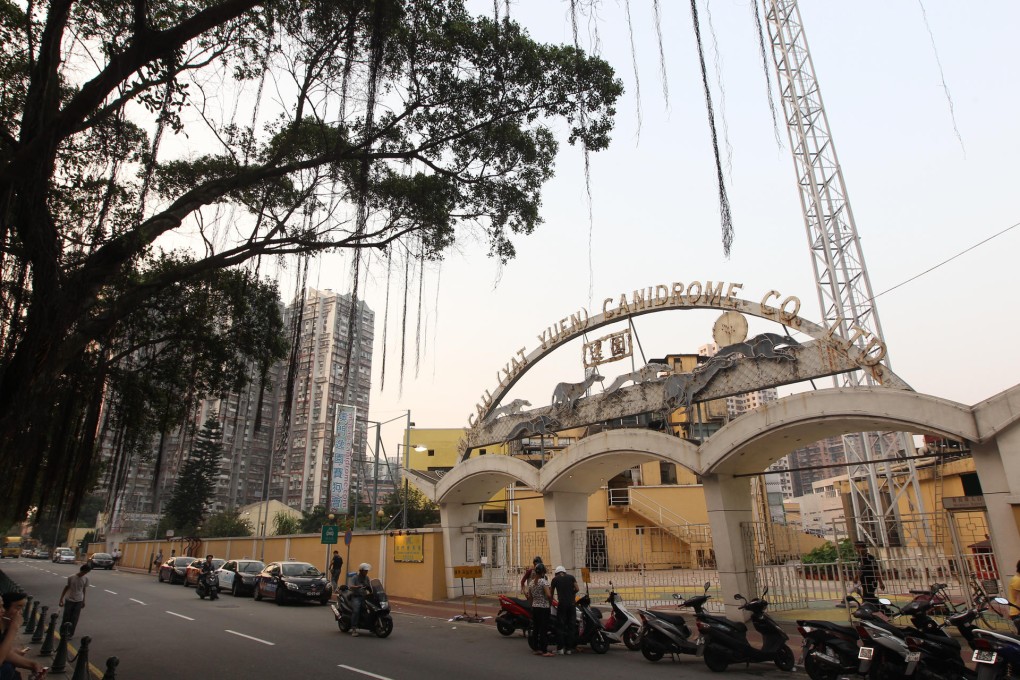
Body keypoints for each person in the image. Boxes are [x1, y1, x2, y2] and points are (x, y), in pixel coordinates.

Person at [1, 592, 47, 679]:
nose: (20, 612)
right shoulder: (9, 627)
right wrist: (14, 628)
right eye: (18, 607)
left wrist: (33, 665)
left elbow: (5, 653)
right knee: (8, 667)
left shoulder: (6, 627)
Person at [526, 563, 556, 657]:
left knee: (536, 628)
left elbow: (530, 597)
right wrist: (550, 599)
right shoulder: (543, 582)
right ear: (543, 572)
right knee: (543, 629)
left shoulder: (531, 583)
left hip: (535, 608)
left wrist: (531, 606)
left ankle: (536, 649)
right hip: (544, 608)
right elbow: (548, 595)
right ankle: (544, 650)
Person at [550, 565, 579, 654]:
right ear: (564, 572)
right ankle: (569, 649)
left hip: (562, 604)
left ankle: (560, 649)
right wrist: (571, 593)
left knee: (560, 626)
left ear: (556, 573)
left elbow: (551, 593)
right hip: (572, 604)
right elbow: (577, 588)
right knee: (571, 625)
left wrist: (551, 600)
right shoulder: (571, 577)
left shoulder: (555, 579)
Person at [59, 563, 91, 639]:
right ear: (81, 570)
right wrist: (61, 599)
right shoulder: (71, 577)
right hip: (69, 599)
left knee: (75, 618)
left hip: (79, 600)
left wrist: (83, 600)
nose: (84, 573)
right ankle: (63, 632)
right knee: (66, 617)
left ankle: (70, 633)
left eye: (86, 572)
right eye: (84, 572)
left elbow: (84, 589)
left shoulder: (86, 578)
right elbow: (66, 587)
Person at [854, 541, 884, 607]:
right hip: (864, 581)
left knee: (869, 597)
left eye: (857, 548)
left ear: (862, 548)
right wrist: (856, 578)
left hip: (871, 580)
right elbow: (860, 569)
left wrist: (881, 582)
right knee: (866, 596)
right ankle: (867, 609)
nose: (856, 550)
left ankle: (881, 609)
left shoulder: (870, 557)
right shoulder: (860, 558)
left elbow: (876, 570)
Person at [349, 563, 373, 637]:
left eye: (367, 571)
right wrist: (357, 587)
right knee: (356, 610)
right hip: (356, 596)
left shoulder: (367, 578)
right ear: (361, 570)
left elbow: (369, 586)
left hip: (364, 597)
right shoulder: (355, 577)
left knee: (372, 609)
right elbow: (351, 586)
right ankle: (353, 628)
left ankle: (372, 626)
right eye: (365, 571)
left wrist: (371, 589)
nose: (366, 572)